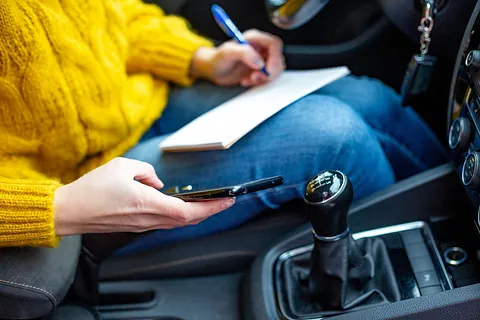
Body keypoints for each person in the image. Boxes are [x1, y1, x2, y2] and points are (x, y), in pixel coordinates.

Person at [0, 0, 446, 252]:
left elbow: (119, 19)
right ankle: (415, 269)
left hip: (144, 103)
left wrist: (202, 59)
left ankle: (454, 209)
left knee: (365, 95)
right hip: (69, 186)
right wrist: (57, 207)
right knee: (331, 135)